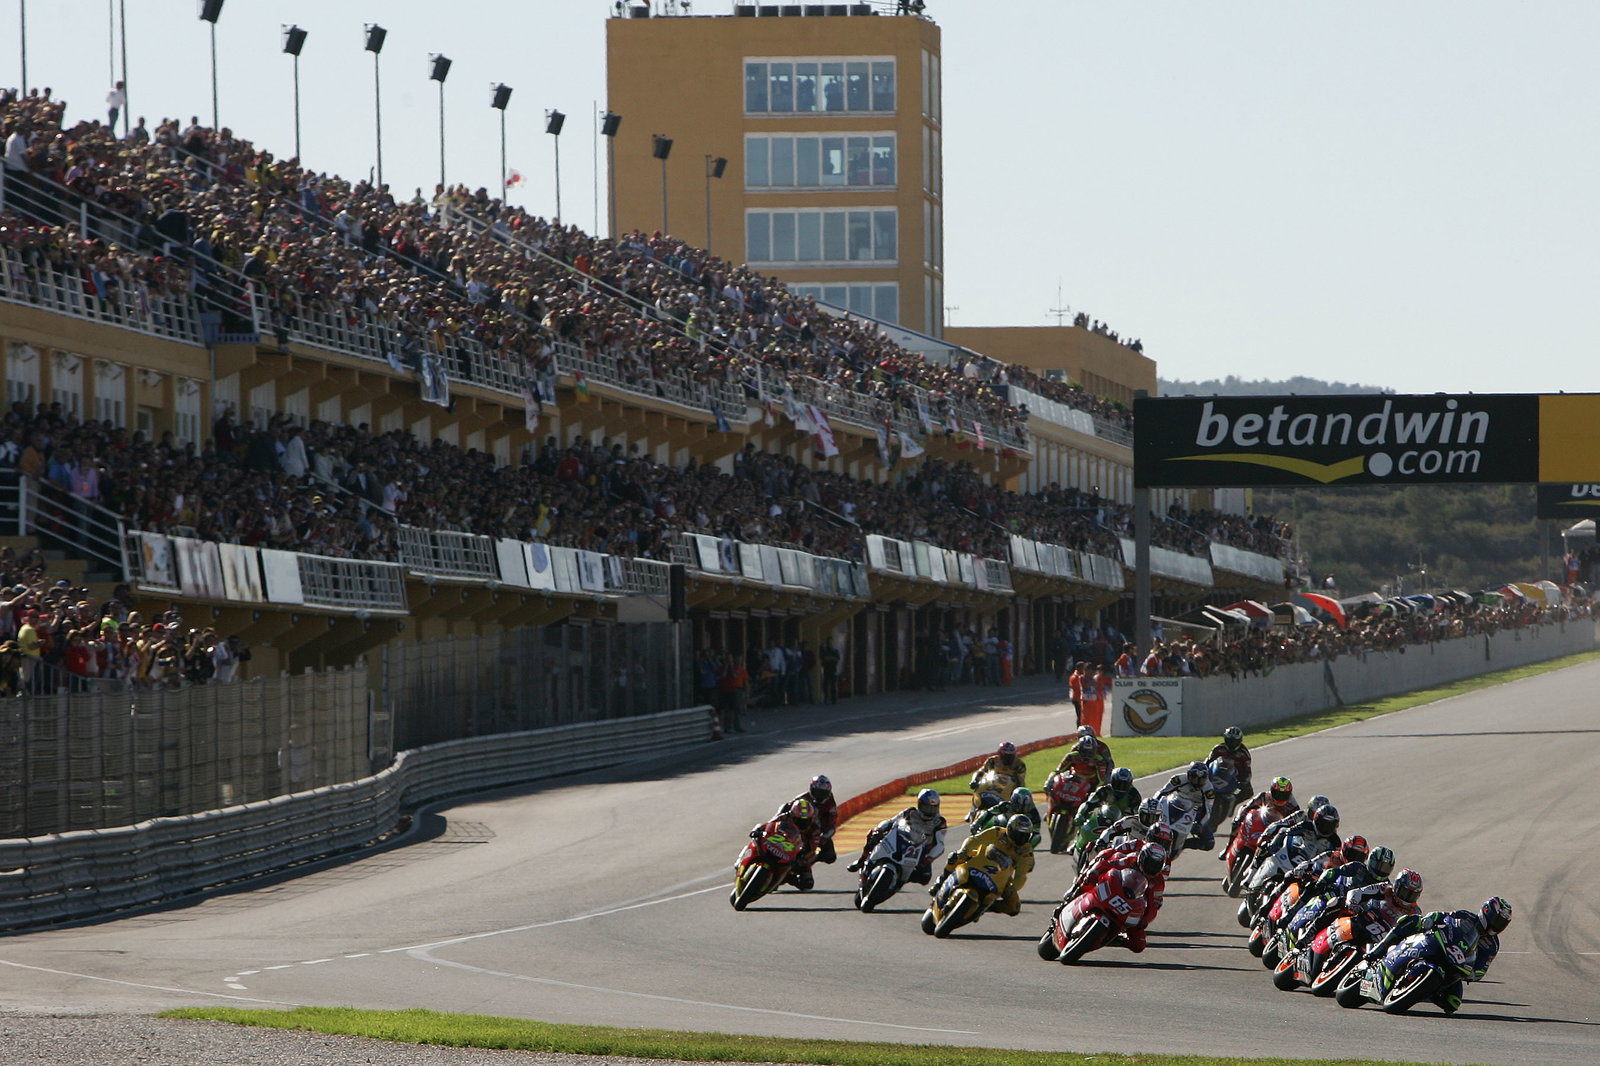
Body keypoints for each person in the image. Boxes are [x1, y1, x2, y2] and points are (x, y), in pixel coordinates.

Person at [1363, 897, 1511, 1014]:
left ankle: (1424, 990)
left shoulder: (1492, 945)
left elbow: (1482, 967)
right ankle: (1379, 950)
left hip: (1455, 965)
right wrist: (1431, 919)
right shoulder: (1466, 916)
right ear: (1487, 912)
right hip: (1441, 946)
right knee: (1412, 922)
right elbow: (1444, 917)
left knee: (1452, 1003)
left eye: (1502, 923)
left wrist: (1474, 975)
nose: (1497, 925)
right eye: (1497, 920)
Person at [938, 812, 1035, 917]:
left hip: (1001, 876)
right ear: (1010, 829)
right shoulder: (998, 832)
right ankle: (941, 881)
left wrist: (1013, 888)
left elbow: (1021, 875)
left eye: (1024, 836)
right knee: (955, 857)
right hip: (981, 861)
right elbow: (975, 839)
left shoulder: (1026, 851)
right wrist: (964, 851)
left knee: (1014, 908)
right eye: (1018, 834)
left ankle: (987, 905)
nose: (1020, 839)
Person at [848, 787, 946, 884]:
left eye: (932, 808)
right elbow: (891, 821)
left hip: (920, 850)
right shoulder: (910, 812)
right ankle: (861, 861)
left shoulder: (940, 822)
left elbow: (940, 845)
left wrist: (929, 858)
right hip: (902, 838)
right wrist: (879, 830)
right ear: (919, 804)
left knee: (925, 877)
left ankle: (900, 878)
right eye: (926, 807)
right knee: (873, 836)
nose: (929, 811)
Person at [1156, 760, 1216, 849]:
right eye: (1194, 777)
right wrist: (1154, 803)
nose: (1197, 782)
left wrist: (1199, 824)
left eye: (1201, 779)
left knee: (1209, 842)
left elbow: (1208, 810)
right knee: (1152, 817)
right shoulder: (1178, 779)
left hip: (1195, 811)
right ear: (1188, 774)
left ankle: (1182, 845)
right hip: (1175, 803)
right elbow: (1162, 792)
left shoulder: (1209, 789)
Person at [780, 774, 838, 864]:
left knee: (830, 856)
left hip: (815, 831)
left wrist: (822, 838)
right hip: (797, 827)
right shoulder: (802, 798)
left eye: (823, 793)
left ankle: (809, 861)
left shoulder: (830, 803)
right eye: (817, 792)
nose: (819, 796)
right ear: (811, 789)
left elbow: (832, 825)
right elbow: (786, 809)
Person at [1207, 725, 1253, 798]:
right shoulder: (1218, 748)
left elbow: (1247, 771)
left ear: (1240, 741)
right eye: (1230, 741)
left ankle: (1233, 803)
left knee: (1249, 792)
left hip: (1236, 777)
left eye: (1234, 741)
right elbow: (1208, 762)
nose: (1232, 743)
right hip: (1218, 774)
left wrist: (1244, 781)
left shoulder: (1244, 753)